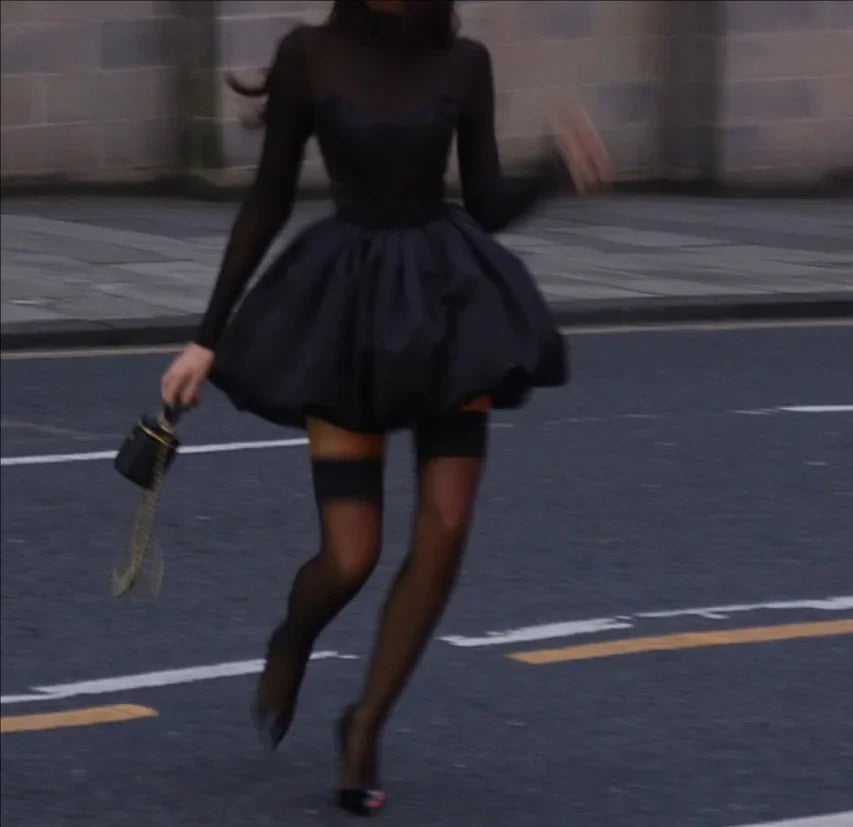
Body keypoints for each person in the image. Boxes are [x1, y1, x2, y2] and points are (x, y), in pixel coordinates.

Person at [161, 0, 610, 816]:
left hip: (448, 306)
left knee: (446, 525)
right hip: (348, 310)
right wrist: (206, 337)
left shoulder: (463, 63)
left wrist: (551, 167)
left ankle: (364, 724)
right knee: (350, 555)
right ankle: (293, 636)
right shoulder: (310, 54)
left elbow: (484, 201)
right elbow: (267, 197)